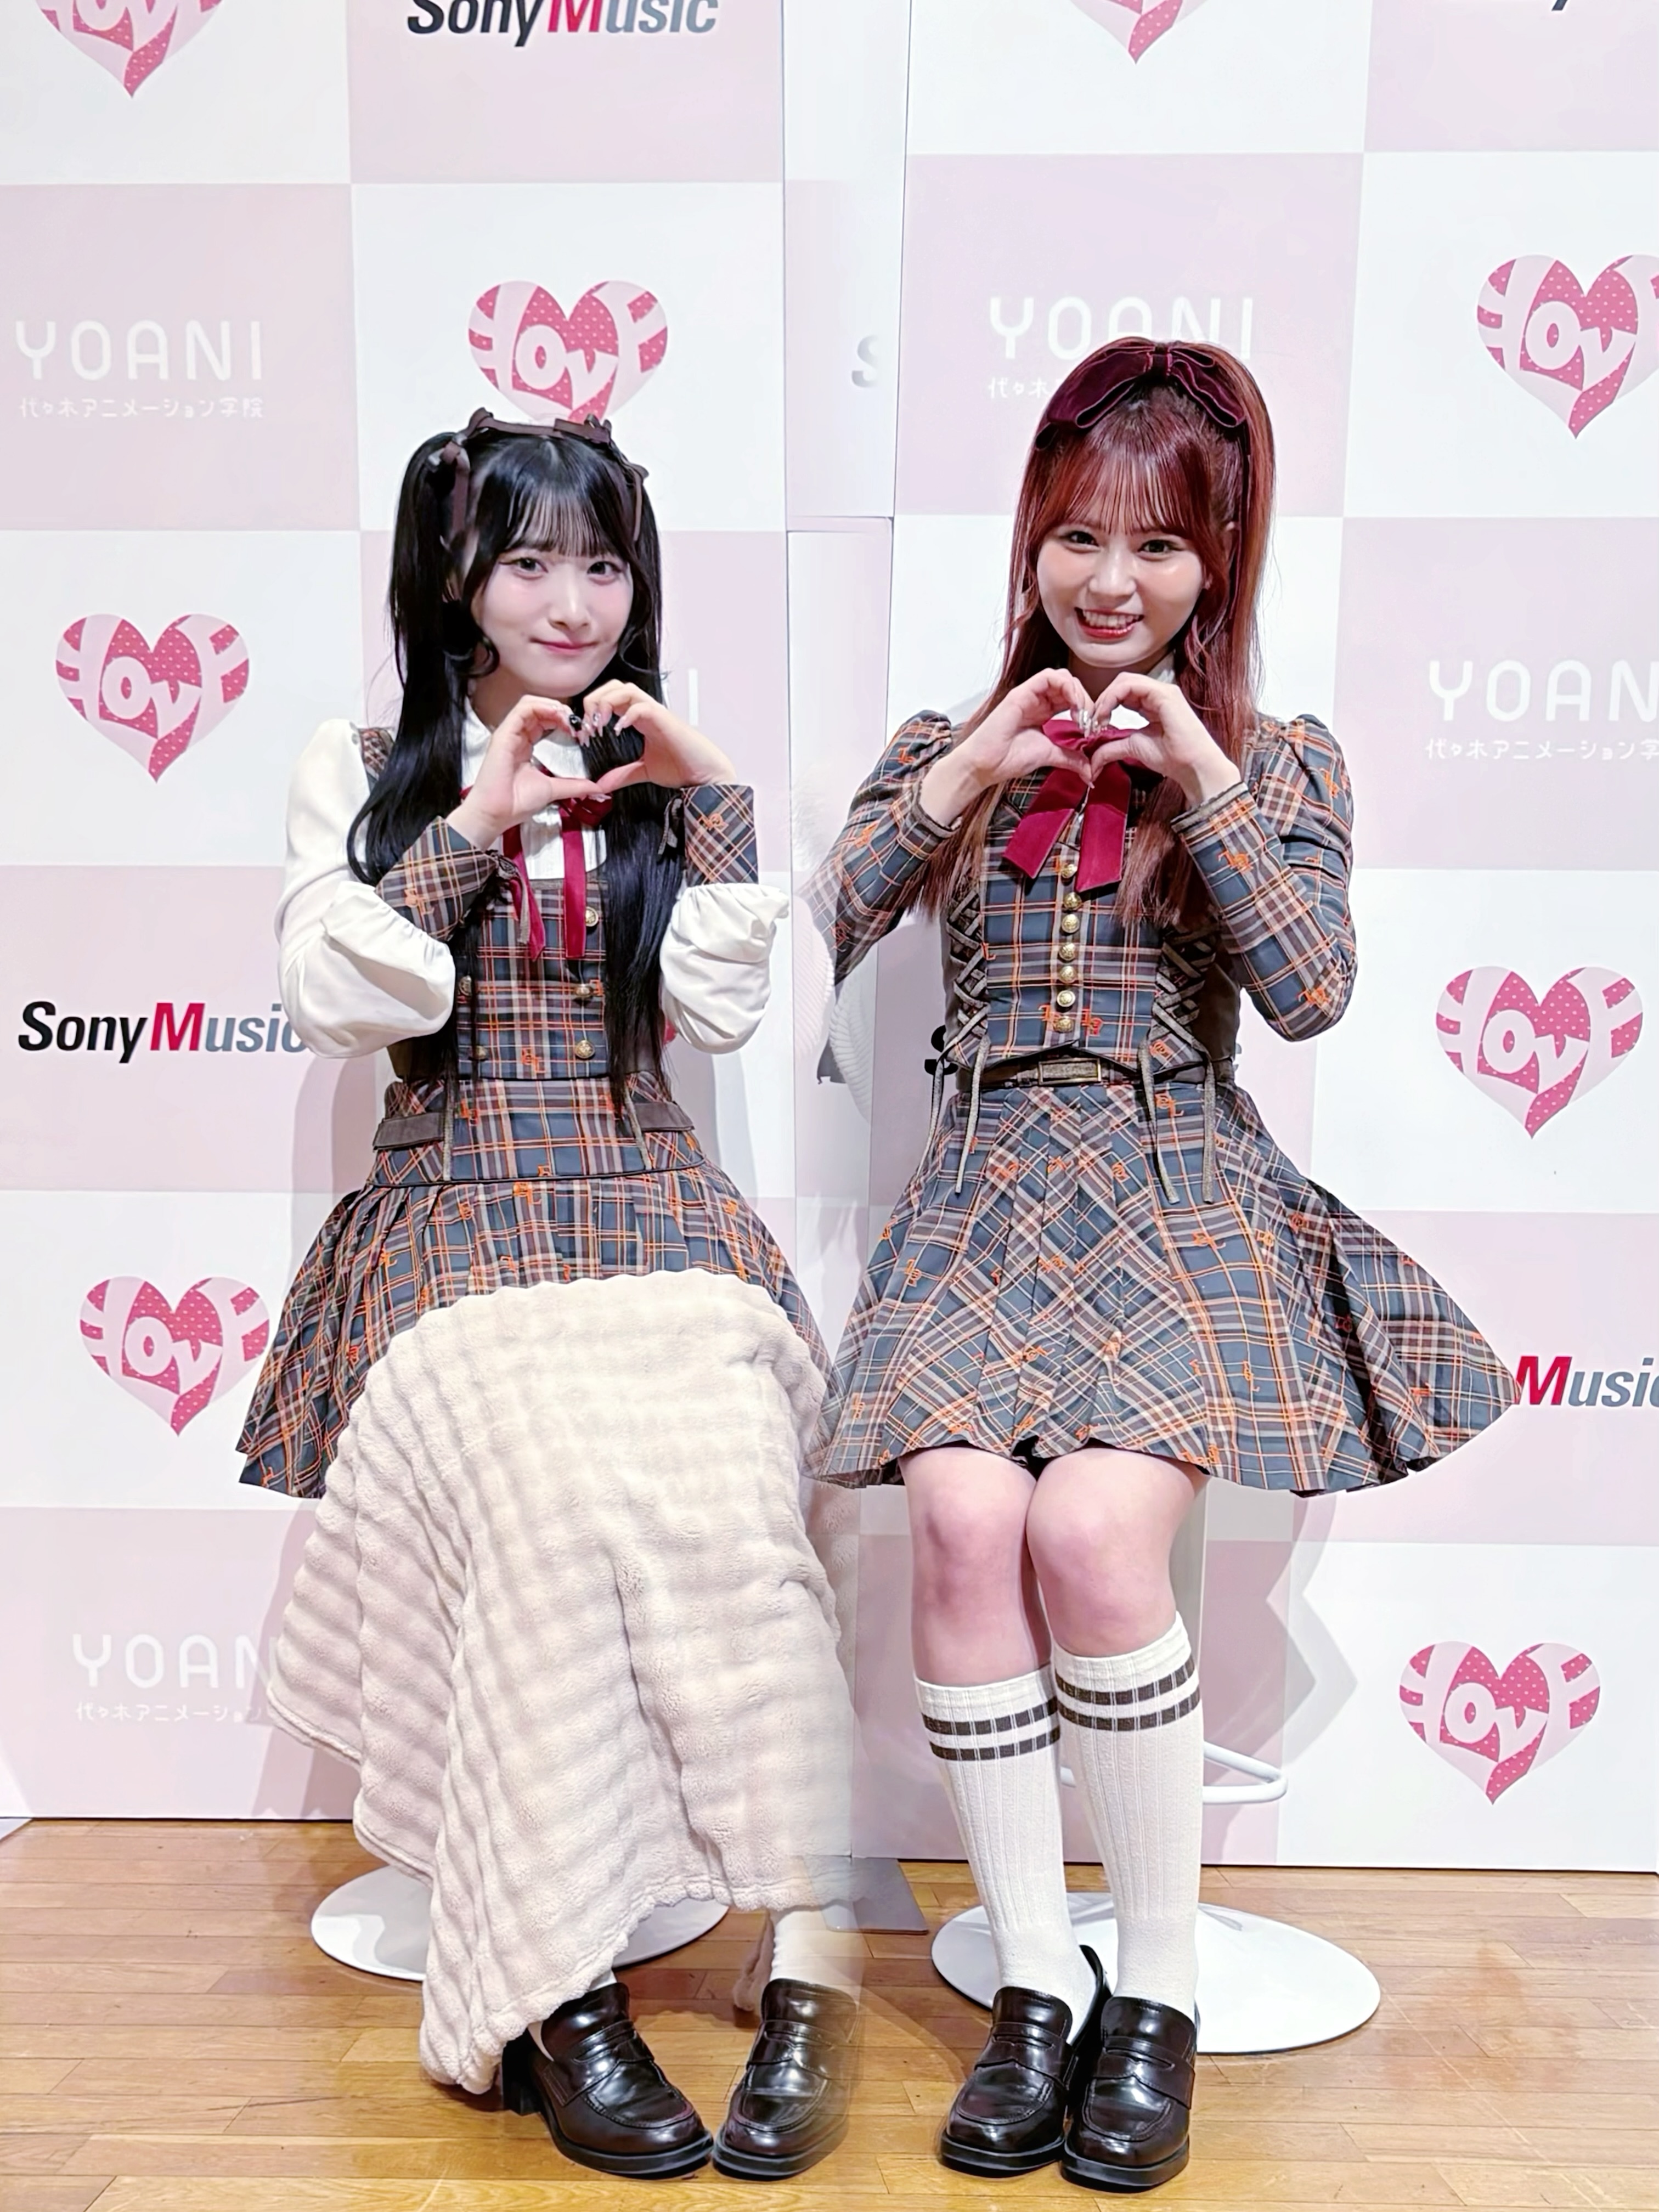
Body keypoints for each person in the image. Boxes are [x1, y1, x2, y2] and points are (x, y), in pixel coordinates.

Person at [806, 341, 1515, 2192]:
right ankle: (1041, 1990)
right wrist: (971, 767)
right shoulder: (947, 745)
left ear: (1222, 561)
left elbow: (1313, 988)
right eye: (1077, 536)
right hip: (981, 1183)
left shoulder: (1282, 759)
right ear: (1031, 541)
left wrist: (1199, 775)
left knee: (1095, 1537)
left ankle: (1160, 1993)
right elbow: (833, 912)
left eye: (1159, 545)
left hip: (1172, 1177)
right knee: (962, 1519)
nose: (1110, 579)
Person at [240, 409, 859, 2183]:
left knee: (740, 1493)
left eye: (603, 565)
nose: (573, 602)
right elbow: (341, 994)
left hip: (649, 1193)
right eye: (530, 562)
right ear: (457, 578)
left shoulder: (654, 769)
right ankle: (562, 1992)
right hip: (452, 1204)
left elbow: (721, 1011)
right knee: (540, 1491)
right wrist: (475, 820)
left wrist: (711, 796)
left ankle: (809, 1956)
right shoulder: (365, 763)